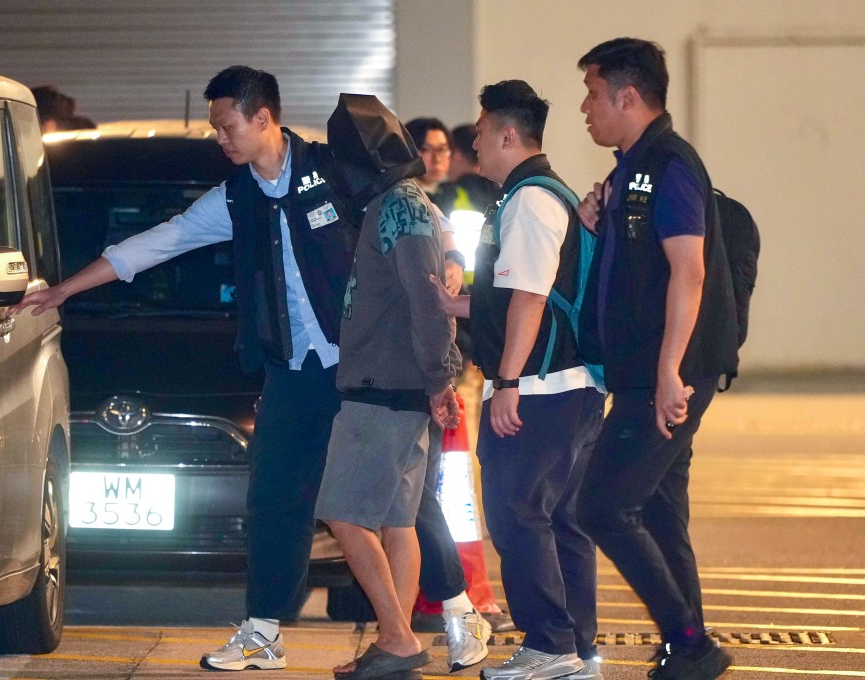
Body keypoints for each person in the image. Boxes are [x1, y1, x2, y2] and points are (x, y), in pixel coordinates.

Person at [15, 65, 484, 672]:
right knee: (272, 497)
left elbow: (418, 208)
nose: (221, 138)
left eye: (227, 125)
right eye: (216, 128)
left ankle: (456, 610)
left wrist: (449, 259)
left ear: (264, 118)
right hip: (294, 370)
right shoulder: (235, 196)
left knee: (406, 501)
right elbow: (157, 243)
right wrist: (63, 291)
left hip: (364, 364)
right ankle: (263, 632)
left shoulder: (334, 167)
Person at [574, 38, 739, 680]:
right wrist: (596, 223)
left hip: (664, 375)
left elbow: (688, 272)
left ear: (629, 97)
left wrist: (671, 371)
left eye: (593, 94)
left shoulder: (669, 164)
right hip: (644, 370)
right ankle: (688, 643)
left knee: (602, 507)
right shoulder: (630, 169)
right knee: (661, 511)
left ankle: (690, 643)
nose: (585, 108)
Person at [433, 80, 606, 680]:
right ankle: (575, 650)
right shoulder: (536, 196)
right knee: (560, 521)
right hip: (566, 388)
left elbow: (530, 300)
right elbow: (516, 296)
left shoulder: (530, 200)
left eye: (481, 132)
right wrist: (453, 305)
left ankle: (549, 644)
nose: (475, 142)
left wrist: (506, 382)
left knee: (516, 514)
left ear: (509, 134)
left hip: (540, 389)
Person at [315, 93, 461, 680]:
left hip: (384, 387)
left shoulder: (398, 210)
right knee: (398, 522)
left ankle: (398, 640)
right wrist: (436, 378)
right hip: (403, 386)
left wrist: (440, 376)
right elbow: (431, 290)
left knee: (345, 516)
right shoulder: (409, 203)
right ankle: (392, 642)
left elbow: (428, 302)